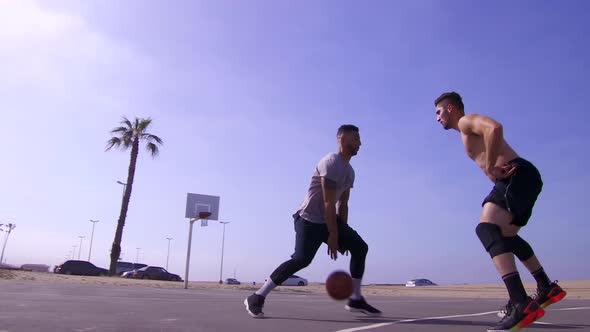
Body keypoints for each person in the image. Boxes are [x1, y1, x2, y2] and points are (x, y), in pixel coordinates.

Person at [434, 92, 567, 331]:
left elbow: (494, 128)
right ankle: (545, 286)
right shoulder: (464, 133)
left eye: (438, 112)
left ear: (451, 109)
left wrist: (489, 167)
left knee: (486, 229)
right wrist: (491, 170)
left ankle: (519, 302)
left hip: (517, 174)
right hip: (524, 177)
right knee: (506, 237)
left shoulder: (465, 122)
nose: (437, 118)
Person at [244, 124, 382, 318]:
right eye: (356, 139)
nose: (360, 143)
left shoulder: (350, 171)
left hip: (327, 220)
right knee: (302, 260)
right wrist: (334, 235)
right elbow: (327, 202)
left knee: (360, 247)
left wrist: (343, 232)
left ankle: (356, 298)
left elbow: (343, 204)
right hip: (308, 219)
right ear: (343, 140)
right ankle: (257, 296)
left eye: (359, 139)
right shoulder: (331, 161)